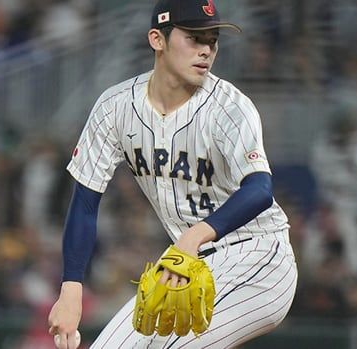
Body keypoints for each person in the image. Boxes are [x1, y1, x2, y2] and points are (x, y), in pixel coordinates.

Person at [47, 0, 298, 348]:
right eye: (194, 38)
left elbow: (260, 189)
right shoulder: (115, 107)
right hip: (187, 263)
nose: (206, 50)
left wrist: (194, 237)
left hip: (259, 258)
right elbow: (85, 202)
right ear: (157, 39)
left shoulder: (229, 106)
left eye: (212, 40)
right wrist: (71, 290)